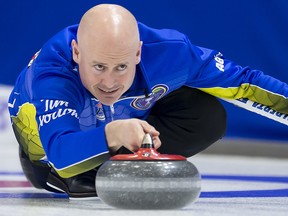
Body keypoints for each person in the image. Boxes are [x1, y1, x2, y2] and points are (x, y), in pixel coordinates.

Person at [7, 4, 288, 199]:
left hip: (128, 118)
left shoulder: (172, 53)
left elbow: (245, 83)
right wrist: (112, 134)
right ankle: (91, 159)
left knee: (207, 115)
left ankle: (122, 155)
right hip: (51, 145)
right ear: (77, 52)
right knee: (64, 167)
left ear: (138, 52)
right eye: (99, 67)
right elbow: (61, 153)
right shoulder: (52, 74)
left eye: (121, 67)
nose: (109, 82)